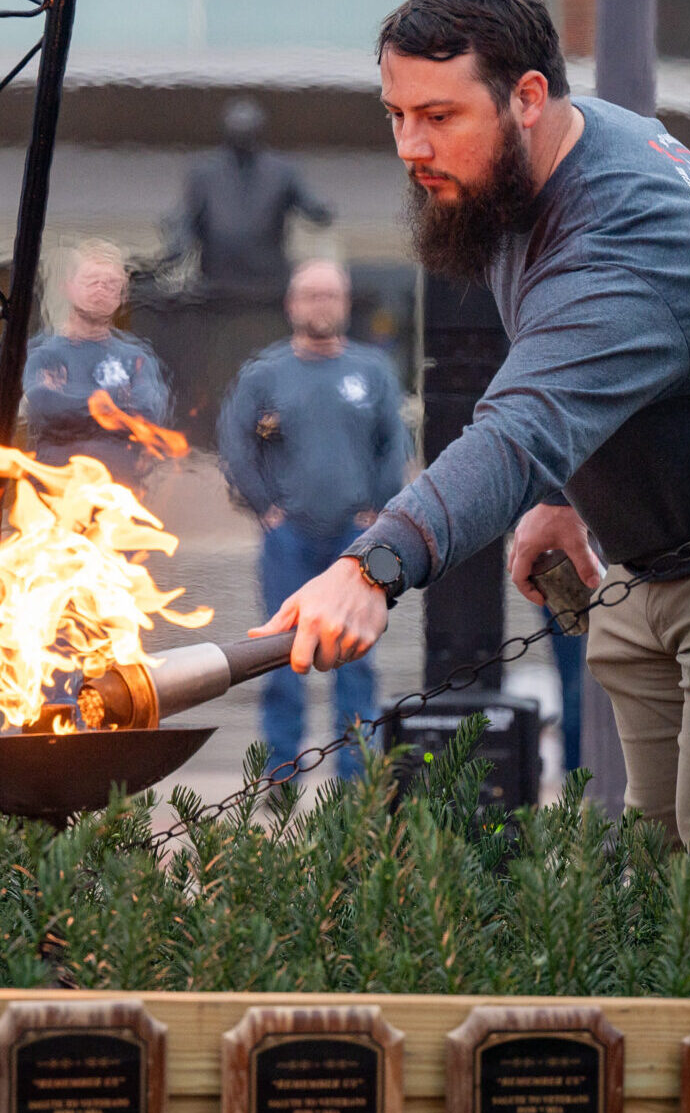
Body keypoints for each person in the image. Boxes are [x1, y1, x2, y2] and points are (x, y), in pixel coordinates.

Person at [255, 0, 690, 846]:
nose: (409, 147)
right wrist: (564, 496)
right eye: (397, 114)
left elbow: (521, 425)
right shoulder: (536, 163)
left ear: (528, 96)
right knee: (653, 866)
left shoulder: (620, 239)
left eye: (439, 116)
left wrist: (371, 567)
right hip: (673, 545)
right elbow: (582, 360)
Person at [217, 260, 412, 777]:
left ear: (346, 304)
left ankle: (355, 785)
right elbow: (236, 444)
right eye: (311, 295)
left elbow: (394, 443)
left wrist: (381, 510)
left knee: (355, 661)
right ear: (292, 305)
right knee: (281, 661)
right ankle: (280, 777)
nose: (321, 305)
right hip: (289, 538)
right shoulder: (265, 373)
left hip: (357, 539)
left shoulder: (372, 371)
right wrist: (265, 508)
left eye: (331, 296)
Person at [23, 239, 175, 487]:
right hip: (55, 498)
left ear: (122, 296)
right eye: (92, 281)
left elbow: (149, 412)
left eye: (111, 284)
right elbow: (44, 405)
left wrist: (73, 401)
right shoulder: (42, 353)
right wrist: (115, 405)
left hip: (119, 498)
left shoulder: (136, 357)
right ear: (68, 287)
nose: (101, 290)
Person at [161, 98, 335, 296]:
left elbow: (309, 204)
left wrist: (321, 211)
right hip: (216, 281)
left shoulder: (282, 171)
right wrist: (177, 242)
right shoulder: (204, 173)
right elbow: (186, 216)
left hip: (269, 281)